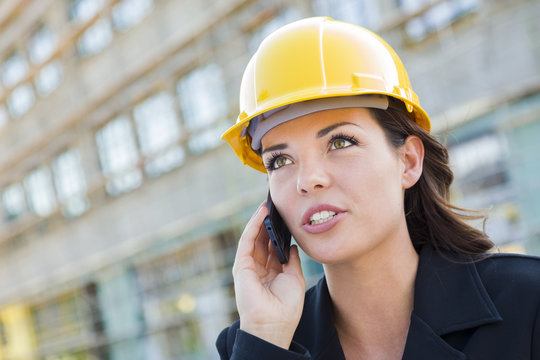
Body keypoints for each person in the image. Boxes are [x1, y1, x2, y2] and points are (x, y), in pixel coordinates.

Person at [216, 17, 540, 359]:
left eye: (340, 142)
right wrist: (266, 339)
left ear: (409, 161)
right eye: (280, 161)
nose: (307, 180)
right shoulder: (255, 340)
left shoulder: (528, 304)